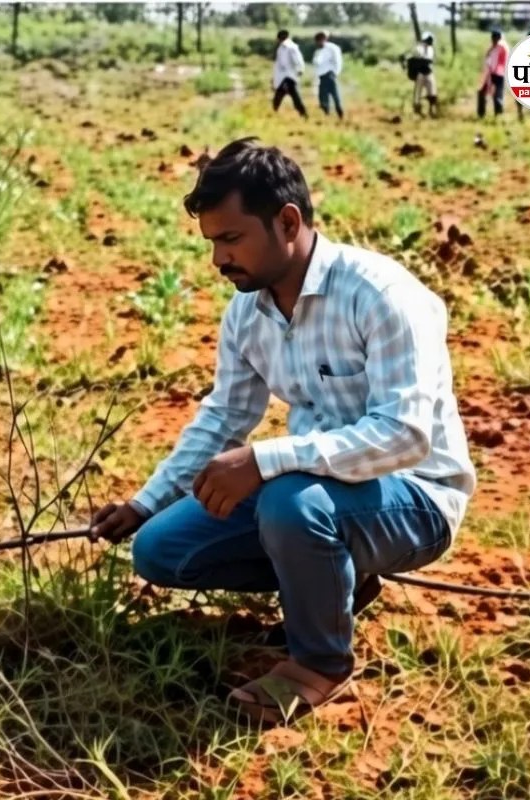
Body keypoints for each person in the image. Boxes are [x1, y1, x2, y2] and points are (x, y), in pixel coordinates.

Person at [90, 138, 476, 725]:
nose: (218, 259)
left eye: (231, 239)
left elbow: (405, 436)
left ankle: (320, 662)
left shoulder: (381, 295)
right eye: (212, 242)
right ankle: (336, 580)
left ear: (287, 222)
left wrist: (266, 459)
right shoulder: (248, 311)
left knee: (290, 502)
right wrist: (147, 503)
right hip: (312, 494)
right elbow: (223, 418)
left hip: (413, 497)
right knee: (163, 550)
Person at [272, 29, 308, 118]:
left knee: (283, 96)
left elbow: (298, 60)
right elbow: (278, 64)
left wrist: (300, 70)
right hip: (283, 77)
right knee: (289, 96)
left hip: (289, 76)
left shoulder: (291, 47)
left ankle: (303, 114)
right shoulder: (281, 48)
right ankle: (303, 114)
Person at [313, 30, 344, 120]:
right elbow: (317, 63)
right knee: (323, 96)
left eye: (319, 40)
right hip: (322, 76)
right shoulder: (319, 51)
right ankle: (326, 114)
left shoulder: (332, 48)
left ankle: (340, 114)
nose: (317, 43)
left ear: (324, 39)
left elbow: (338, 61)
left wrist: (335, 73)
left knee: (334, 95)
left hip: (330, 75)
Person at [478, 28, 509, 118]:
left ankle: (494, 115)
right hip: (497, 74)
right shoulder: (500, 45)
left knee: (496, 95)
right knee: (494, 95)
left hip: (497, 74)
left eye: (493, 38)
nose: (492, 40)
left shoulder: (500, 45)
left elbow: (492, 59)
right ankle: (496, 115)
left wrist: (489, 72)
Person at [409, 31, 438, 117]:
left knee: (432, 91)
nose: (430, 42)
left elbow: (429, 59)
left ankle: (432, 110)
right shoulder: (419, 48)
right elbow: (420, 58)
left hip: (428, 71)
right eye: (429, 40)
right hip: (420, 72)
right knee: (418, 92)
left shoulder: (430, 49)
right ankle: (417, 110)